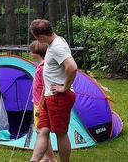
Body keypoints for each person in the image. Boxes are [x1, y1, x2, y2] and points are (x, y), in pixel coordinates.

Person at [30, 19, 78, 162]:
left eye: (37, 38)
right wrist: (41, 102)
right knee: (42, 130)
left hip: (58, 97)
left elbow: (72, 67)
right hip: (49, 97)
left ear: (41, 37)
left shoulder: (57, 46)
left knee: (60, 133)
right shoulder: (55, 42)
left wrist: (65, 87)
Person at [29, 40, 56, 162]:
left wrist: (39, 107)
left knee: (41, 131)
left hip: (41, 104)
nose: (30, 53)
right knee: (42, 131)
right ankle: (48, 157)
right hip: (37, 102)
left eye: (31, 51)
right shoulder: (41, 66)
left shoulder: (43, 68)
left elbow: (46, 88)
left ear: (37, 52)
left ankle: (51, 158)